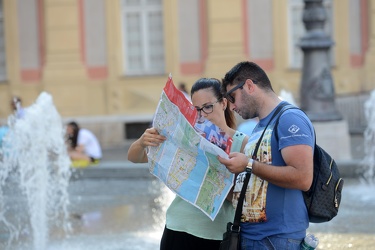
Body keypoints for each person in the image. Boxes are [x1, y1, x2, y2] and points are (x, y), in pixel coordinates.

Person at [127, 78, 248, 250]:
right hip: (178, 226)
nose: (202, 115)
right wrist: (141, 142)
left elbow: (245, 198)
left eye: (207, 107)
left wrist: (215, 180)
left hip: (216, 234)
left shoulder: (242, 142)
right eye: (196, 110)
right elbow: (134, 157)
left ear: (224, 103)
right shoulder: (188, 136)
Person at [218, 61, 315, 249]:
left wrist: (248, 165)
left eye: (232, 97)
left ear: (249, 85)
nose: (231, 106)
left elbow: (303, 178)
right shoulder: (260, 126)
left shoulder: (289, 118)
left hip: (277, 239)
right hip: (255, 238)